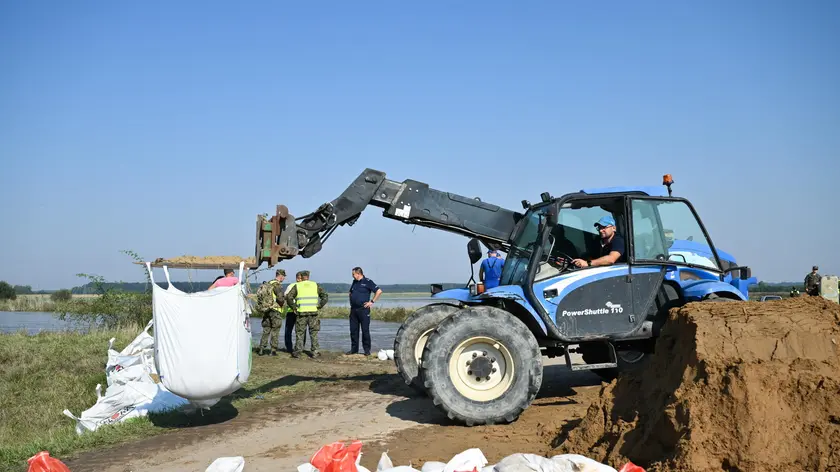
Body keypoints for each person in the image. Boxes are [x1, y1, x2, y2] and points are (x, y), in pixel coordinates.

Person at [285, 270, 329, 358]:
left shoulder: (298, 285)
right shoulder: (315, 285)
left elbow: (289, 297)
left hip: (301, 313)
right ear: (308, 276)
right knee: (314, 333)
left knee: (300, 333)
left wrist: (294, 307)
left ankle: (298, 352)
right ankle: (315, 352)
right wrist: (319, 305)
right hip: (313, 313)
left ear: (302, 276)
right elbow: (325, 296)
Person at [347, 267, 382, 356]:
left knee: (365, 331)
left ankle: (367, 351)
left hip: (364, 310)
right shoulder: (354, 282)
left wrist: (372, 302)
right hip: (354, 310)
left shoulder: (367, 281)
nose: (352, 276)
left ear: (358, 274)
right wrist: (351, 299)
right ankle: (354, 350)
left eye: (353, 274)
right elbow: (350, 292)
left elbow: (379, 291)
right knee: (353, 331)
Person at [255, 269, 286, 356]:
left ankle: (261, 349)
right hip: (275, 310)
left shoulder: (268, 283)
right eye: (283, 277)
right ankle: (273, 350)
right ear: (281, 276)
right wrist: (282, 303)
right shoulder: (277, 285)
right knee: (275, 331)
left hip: (266, 309)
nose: (284, 278)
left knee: (266, 330)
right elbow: (280, 298)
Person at [283, 272, 302, 352]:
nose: (303, 280)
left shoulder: (292, 286)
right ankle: (290, 348)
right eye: (301, 278)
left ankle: (298, 348)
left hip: (299, 311)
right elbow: (285, 296)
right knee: (289, 331)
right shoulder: (291, 286)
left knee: (300, 331)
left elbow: (285, 296)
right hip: (292, 311)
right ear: (297, 278)